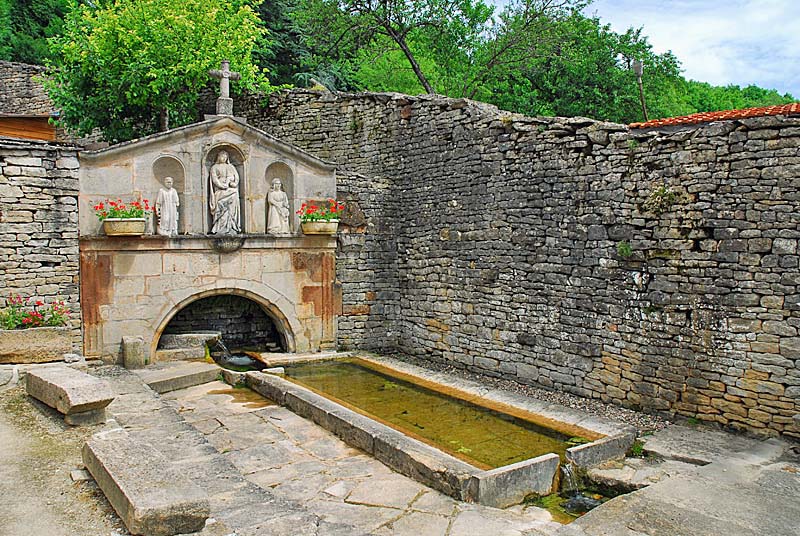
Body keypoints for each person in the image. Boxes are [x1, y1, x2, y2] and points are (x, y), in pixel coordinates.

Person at [209, 150, 241, 234]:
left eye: (225, 156)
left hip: (230, 189)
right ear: (218, 157)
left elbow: (236, 177)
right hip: (220, 190)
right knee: (220, 205)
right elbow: (214, 179)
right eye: (221, 156)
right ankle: (220, 227)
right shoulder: (214, 167)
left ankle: (231, 226)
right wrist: (221, 185)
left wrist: (234, 183)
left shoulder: (231, 167)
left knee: (234, 195)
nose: (223, 158)